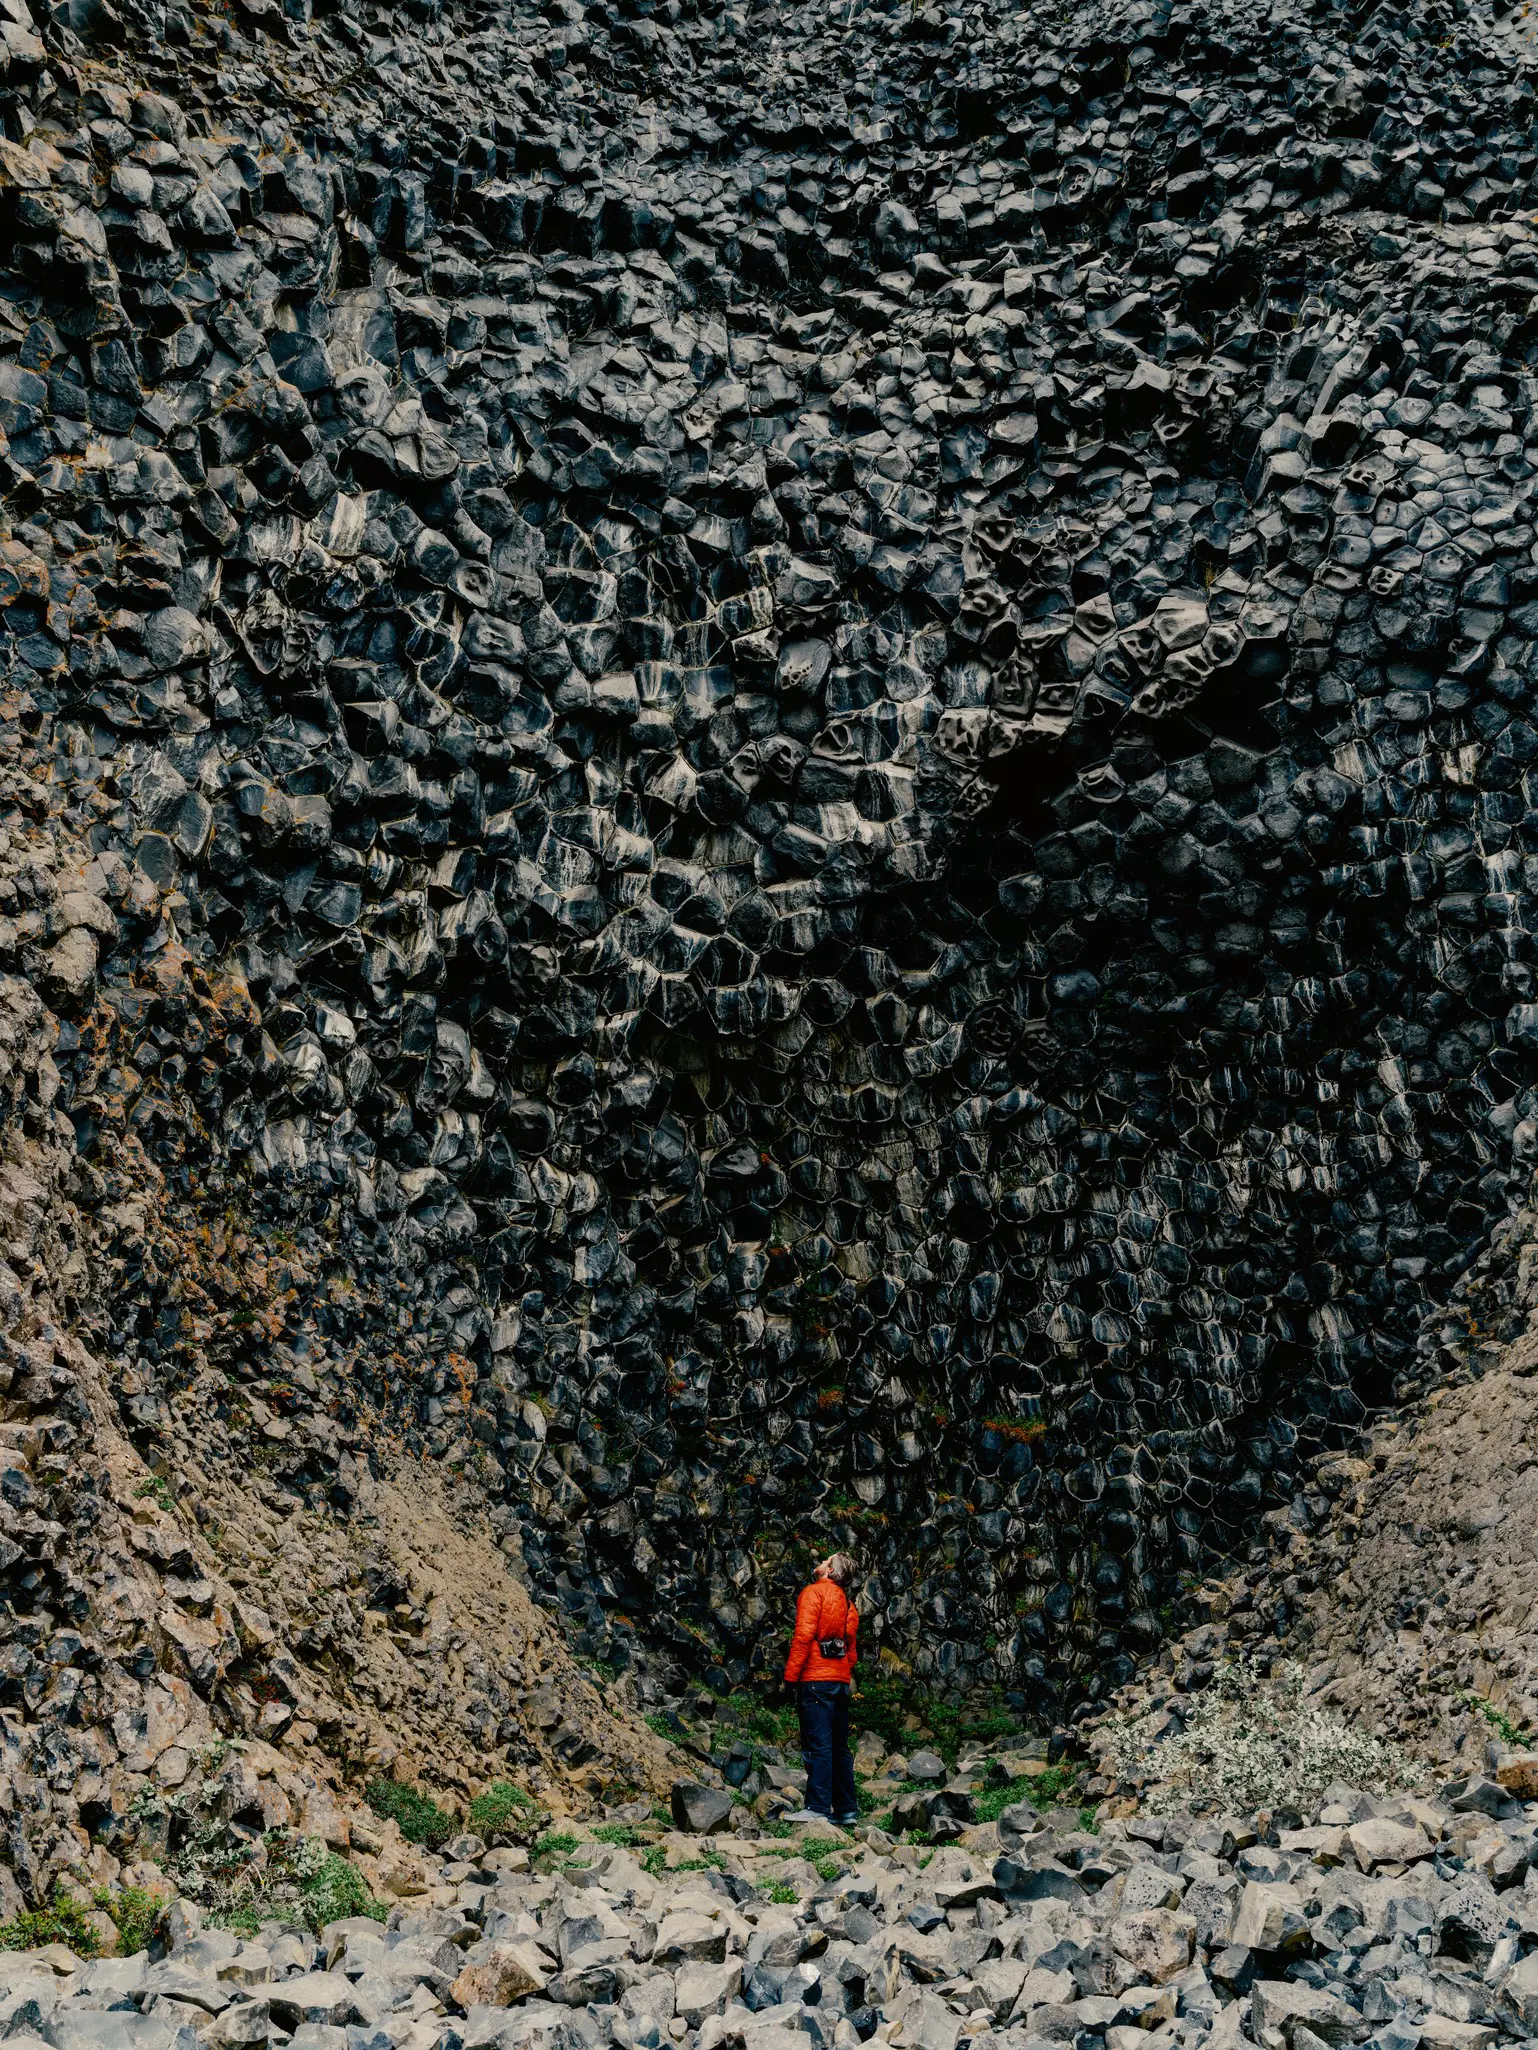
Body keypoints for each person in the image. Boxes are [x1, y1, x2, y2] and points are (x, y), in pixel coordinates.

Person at [780, 1551, 860, 1826]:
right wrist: (843, 1674)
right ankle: (846, 1808)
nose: (821, 1560)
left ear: (830, 1571)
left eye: (826, 1560)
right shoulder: (848, 1604)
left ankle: (817, 1806)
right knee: (839, 1747)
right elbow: (850, 1649)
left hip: (815, 1679)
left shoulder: (814, 1593)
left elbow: (803, 1637)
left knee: (818, 1746)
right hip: (839, 1682)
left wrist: (790, 1678)